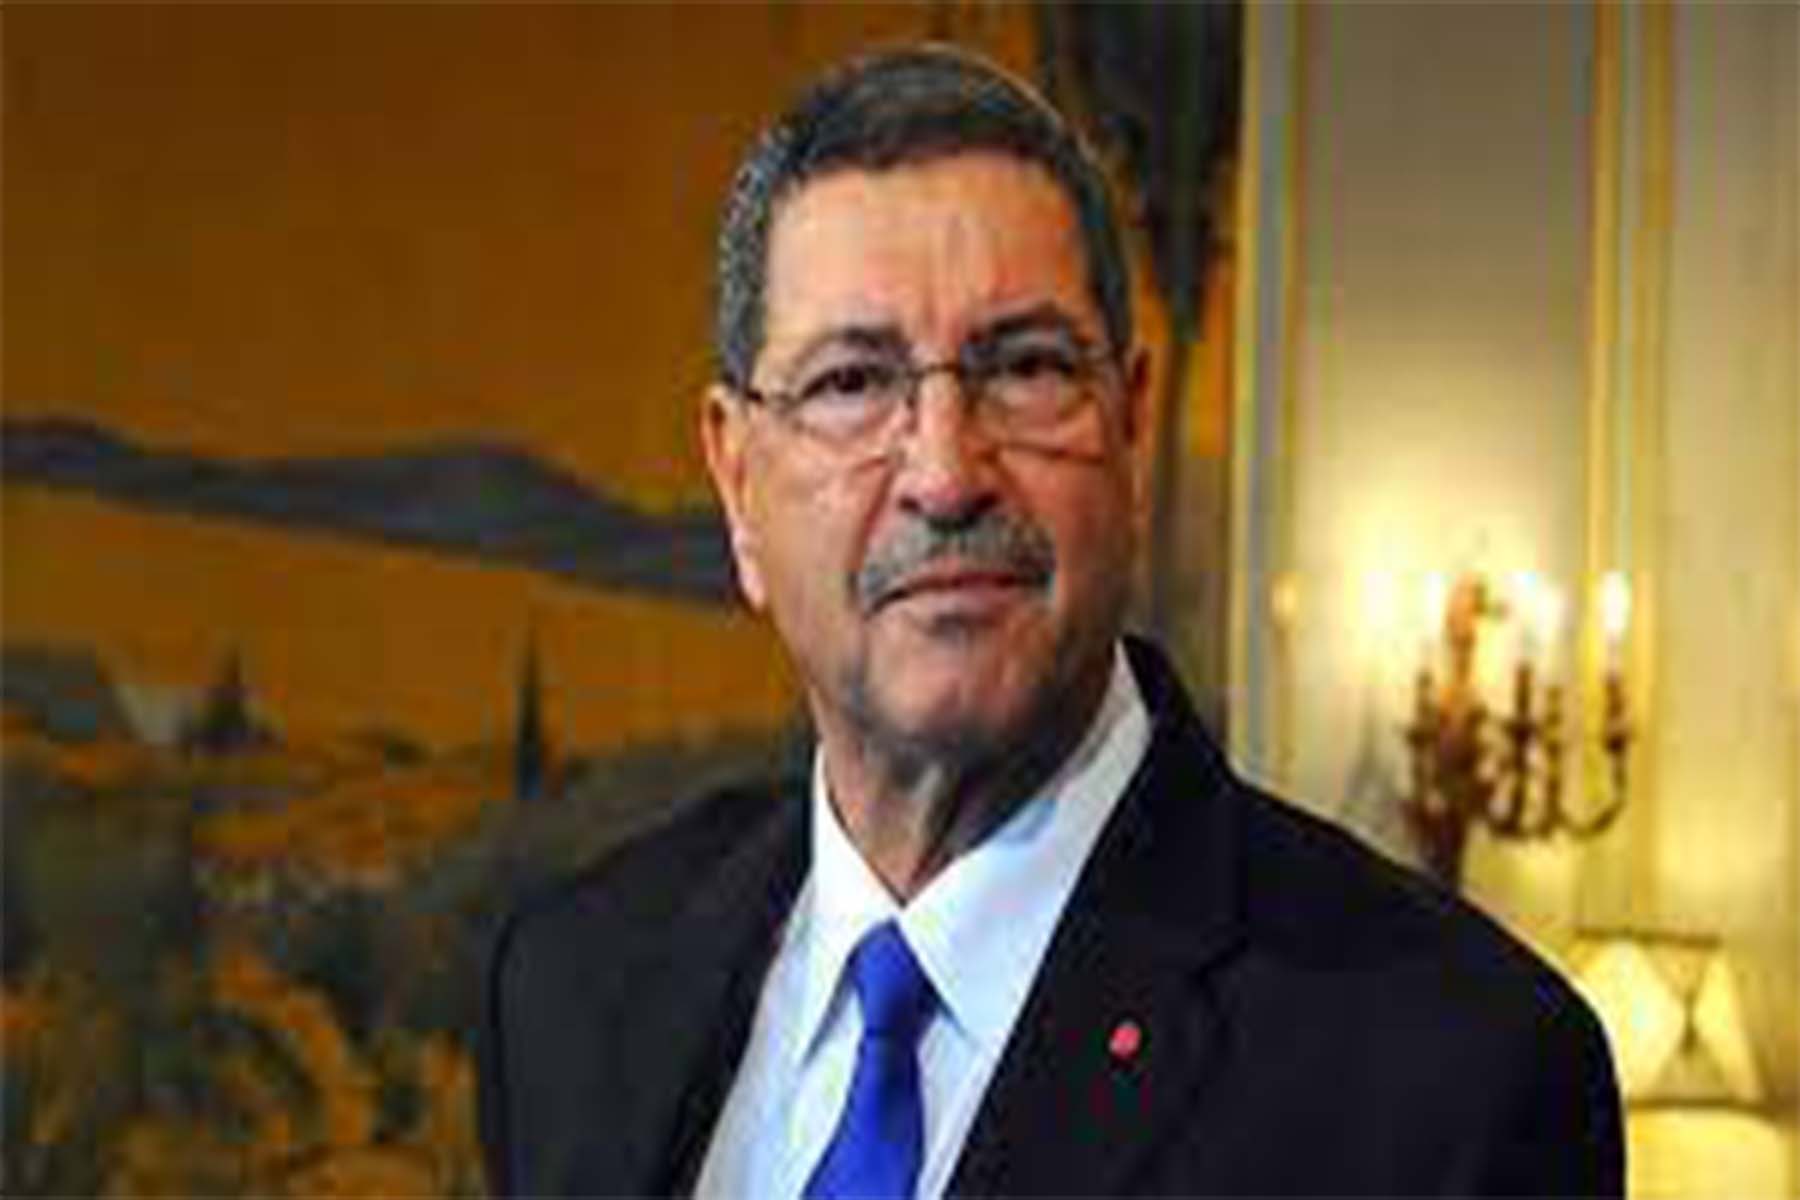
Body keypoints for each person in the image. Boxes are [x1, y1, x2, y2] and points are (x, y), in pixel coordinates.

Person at [477, 46, 1623, 1198]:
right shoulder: (574, 983)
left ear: (1128, 431)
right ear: (737, 481)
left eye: (1024, 369)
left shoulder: (1451, 1076)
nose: (944, 475)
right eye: (851, 383)